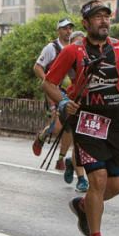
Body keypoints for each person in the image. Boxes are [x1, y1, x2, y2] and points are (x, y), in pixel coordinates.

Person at [44, 0, 119, 236]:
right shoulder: (73, 51)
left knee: (117, 184)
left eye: (106, 17)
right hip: (86, 121)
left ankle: (83, 205)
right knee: (98, 178)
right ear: (86, 23)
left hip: (114, 123)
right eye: (97, 17)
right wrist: (65, 102)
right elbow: (49, 83)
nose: (103, 21)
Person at [32, 18, 75, 169]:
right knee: (57, 127)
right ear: (59, 30)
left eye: (70, 28)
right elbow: (37, 67)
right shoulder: (52, 47)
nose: (68, 31)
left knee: (69, 125)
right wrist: (48, 83)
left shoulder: (74, 47)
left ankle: (61, 159)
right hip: (52, 90)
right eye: (64, 28)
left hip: (68, 92)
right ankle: (42, 137)